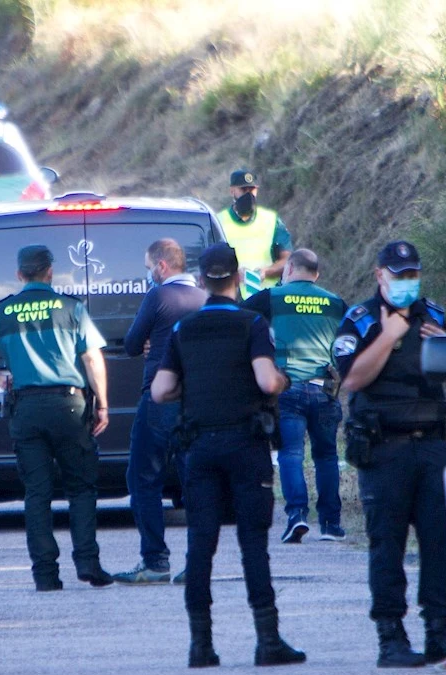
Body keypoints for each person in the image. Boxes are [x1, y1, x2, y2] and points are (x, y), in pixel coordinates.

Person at [151, 243, 306, 668]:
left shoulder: (184, 330)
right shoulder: (252, 324)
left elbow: (161, 391)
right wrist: (282, 379)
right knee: (253, 543)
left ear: (202, 281)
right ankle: (268, 641)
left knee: (201, 543)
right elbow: (267, 382)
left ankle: (201, 646)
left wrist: (195, 386)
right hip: (244, 443)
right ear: (238, 279)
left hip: (199, 448)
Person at [0, 245, 114, 591]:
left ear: (19, 275)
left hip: (26, 409)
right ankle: (87, 562)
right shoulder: (71, 308)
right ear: (50, 272)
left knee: (37, 493)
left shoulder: (4, 311)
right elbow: (91, 359)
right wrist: (102, 403)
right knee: (81, 488)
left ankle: (45, 574)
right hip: (69, 407)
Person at [334, 240, 446, 668]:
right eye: (398, 274)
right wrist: (388, 336)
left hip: (433, 446)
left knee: (440, 543)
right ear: (379, 274)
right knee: (388, 546)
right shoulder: (360, 321)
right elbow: (353, 379)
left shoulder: (434, 315)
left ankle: (440, 631)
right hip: (385, 450)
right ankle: (391, 638)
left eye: (412, 274)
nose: (407, 282)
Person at [113, 238, 207, 585]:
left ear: (162, 267)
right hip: (196, 400)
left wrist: (152, 337)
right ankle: (197, 563)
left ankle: (155, 561)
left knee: (143, 478)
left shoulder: (158, 297)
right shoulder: (204, 299)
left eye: (149, 267)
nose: (149, 273)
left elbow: (133, 344)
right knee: (194, 481)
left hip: (158, 398)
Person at [242, 248, 348, 544]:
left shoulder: (271, 298)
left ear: (288, 269)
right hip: (325, 389)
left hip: (287, 389)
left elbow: (239, 319)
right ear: (316, 274)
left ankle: (297, 516)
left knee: (290, 454)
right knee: (326, 455)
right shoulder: (335, 302)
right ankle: (331, 523)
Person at [217, 169, 293, 299]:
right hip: (233, 299)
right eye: (243, 190)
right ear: (232, 191)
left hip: (268, 297)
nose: (248, 195)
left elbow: (288, 259)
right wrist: (232, 273)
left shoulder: (271, 220)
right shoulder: (219, 221)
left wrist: (266, 272)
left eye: (251, 190)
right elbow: (211, 261)